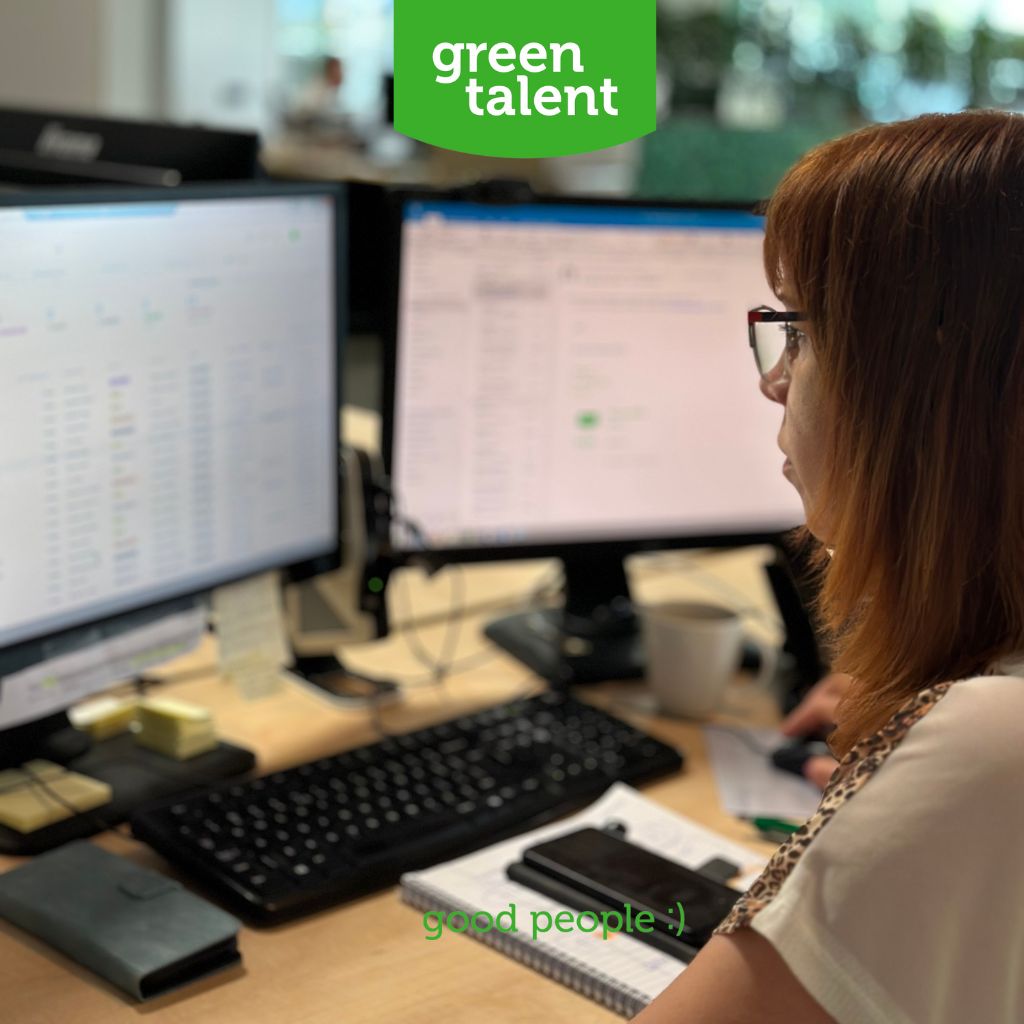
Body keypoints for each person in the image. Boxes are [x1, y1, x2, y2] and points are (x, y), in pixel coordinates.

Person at [635, 109, 1024, 1023]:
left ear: (922, 383)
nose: (773, 379)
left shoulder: (994, 748)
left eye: (801, 332)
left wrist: (926, 774)